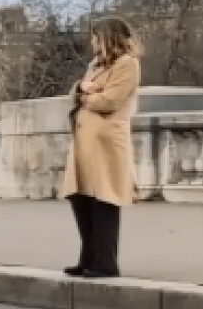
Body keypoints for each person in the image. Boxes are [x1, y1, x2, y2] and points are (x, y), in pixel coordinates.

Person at [60, 16, 142, 279]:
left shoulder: (127, 64)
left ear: (108, 38)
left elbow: (110, 100)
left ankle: (106, 261)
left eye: (96, 37)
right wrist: (83, 90)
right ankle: (88, 257)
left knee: (104, 199)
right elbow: (75, 93)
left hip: (107, 144)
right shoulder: (95, 65)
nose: (92, 42)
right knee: (81, 198)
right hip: (85, 143)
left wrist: (86, 95)